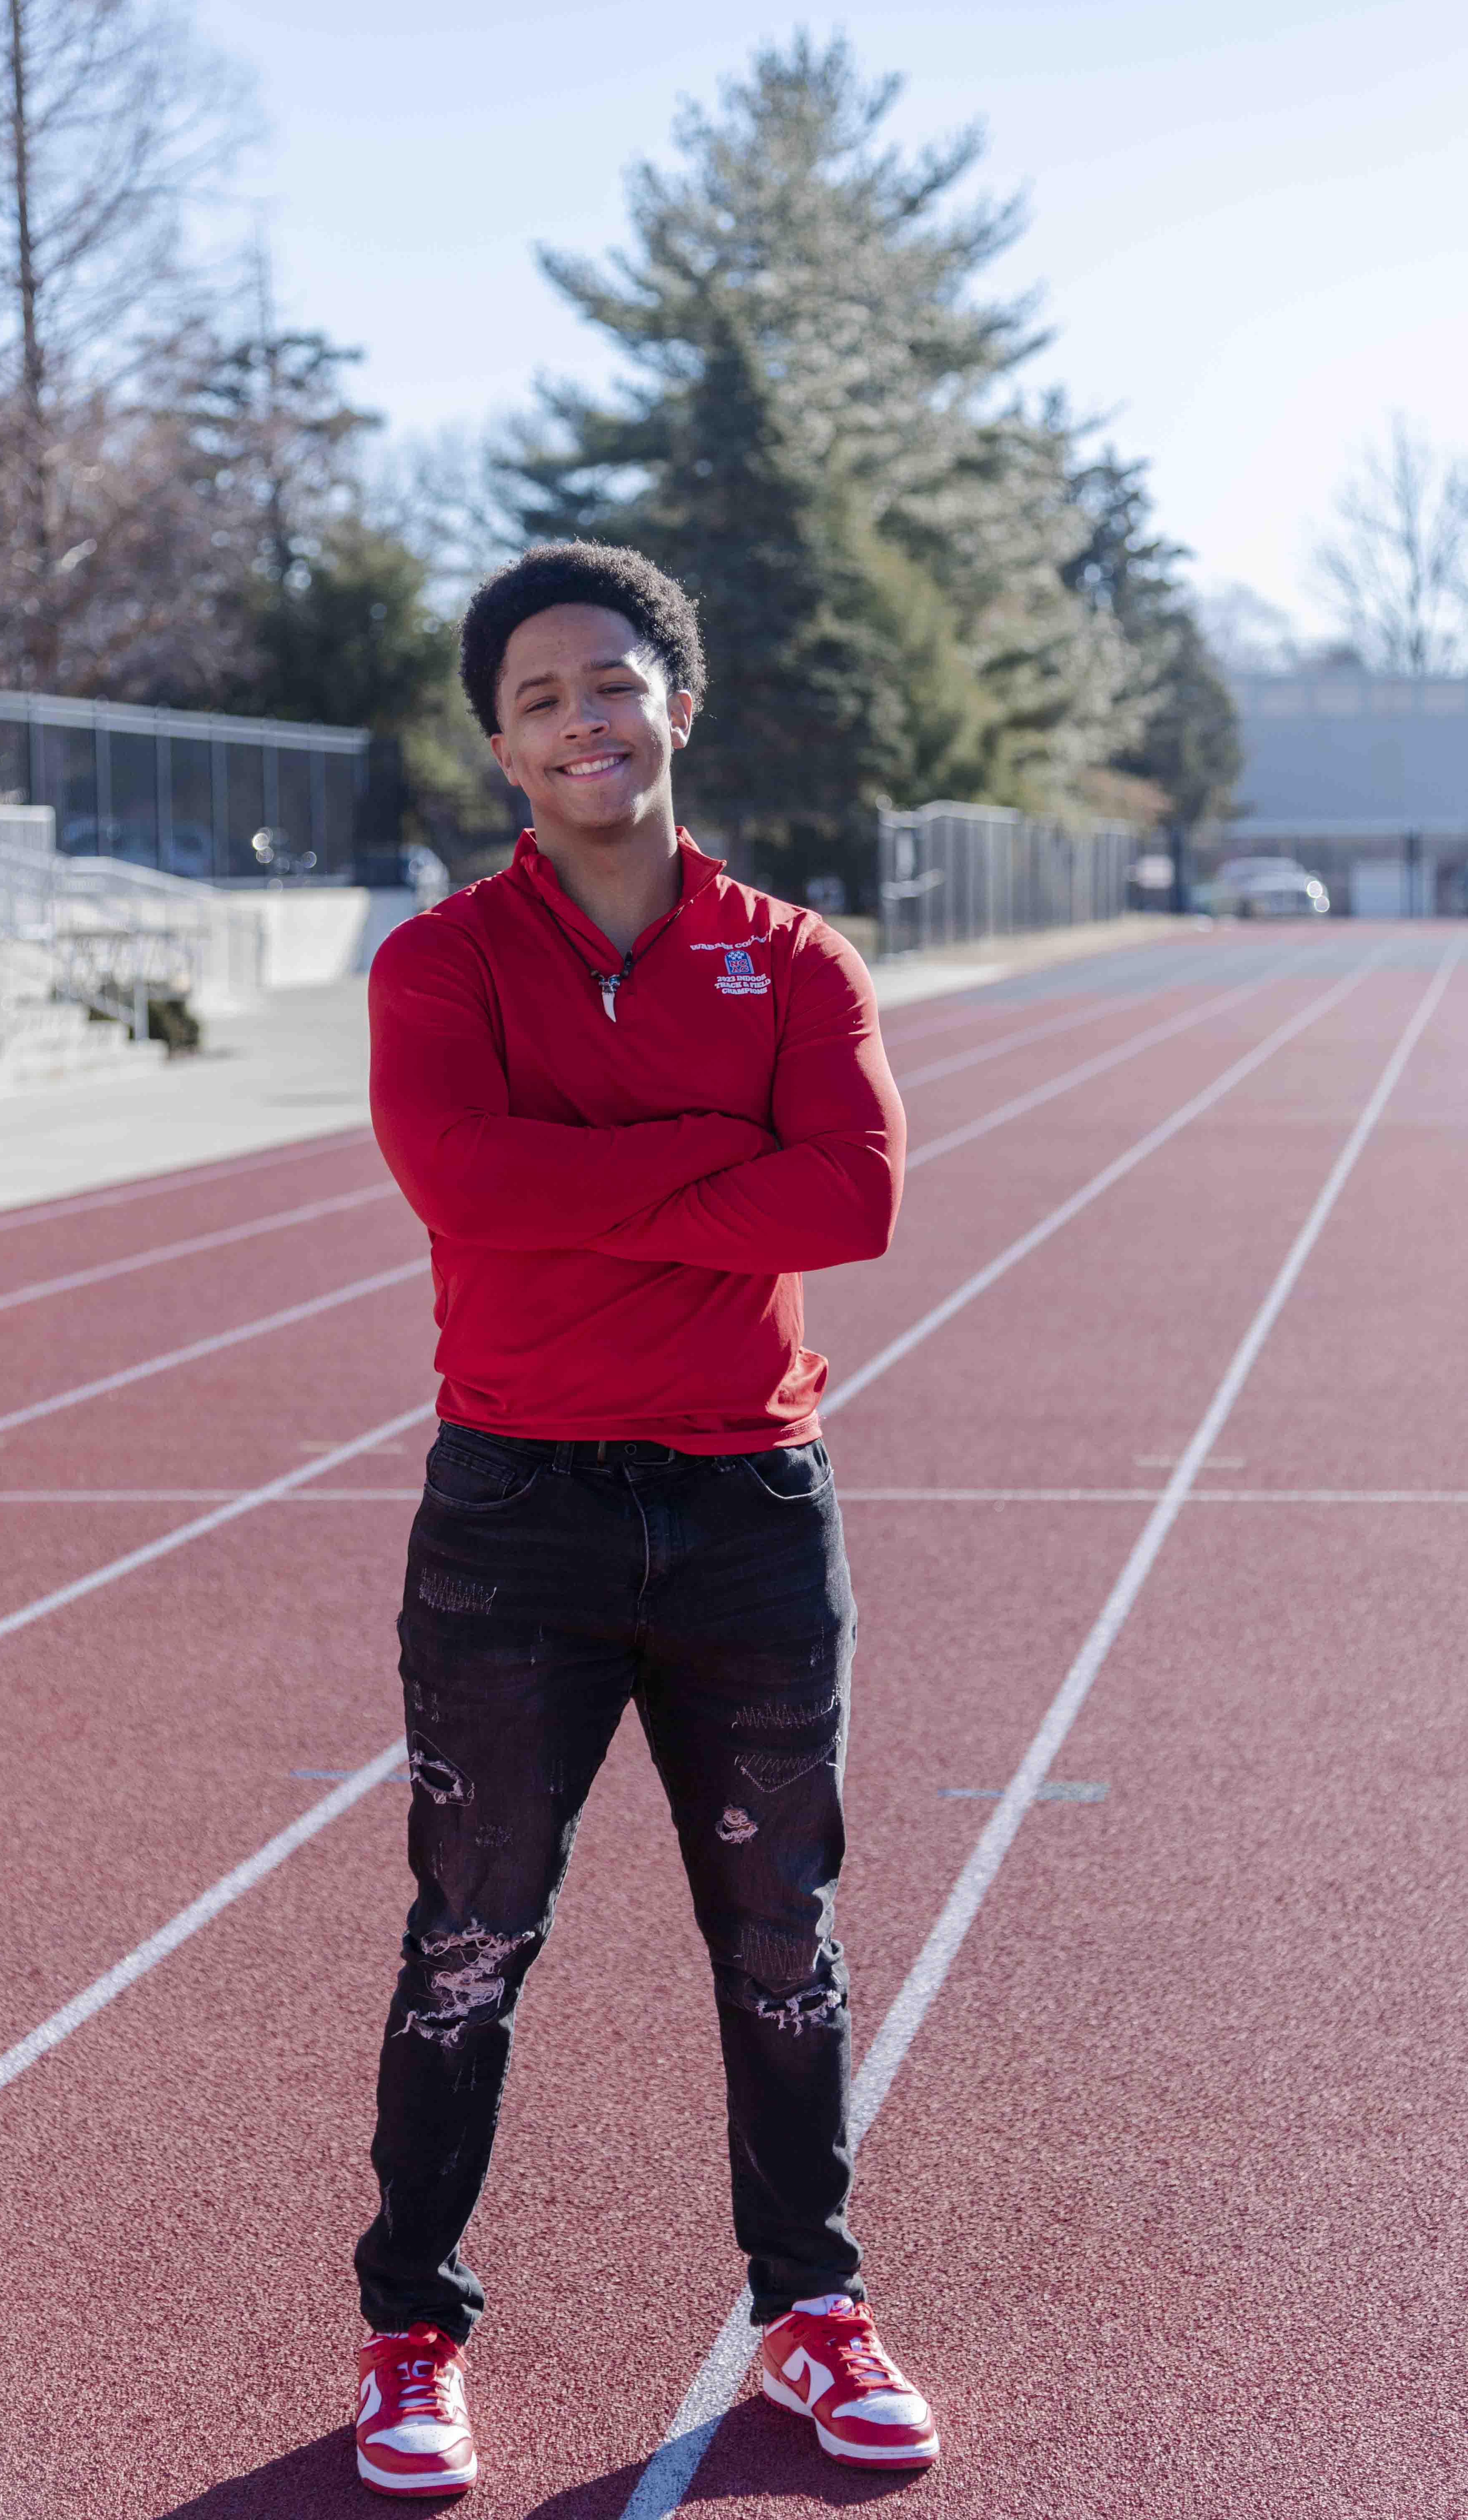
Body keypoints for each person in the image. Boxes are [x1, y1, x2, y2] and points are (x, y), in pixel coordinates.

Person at [352, 541, 934, 2496]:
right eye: (537, 699)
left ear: (678, 704)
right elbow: (461, 1181)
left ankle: (812, 2318)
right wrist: (713, 1162)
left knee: (782, 1933)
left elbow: (847, 1205)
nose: (580, 720)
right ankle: (412, 2332)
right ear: (500, 749)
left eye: (612, 683)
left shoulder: (795, 960)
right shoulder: (441, 964)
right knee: (468, 1940)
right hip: (514, 1519)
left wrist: (584, 1171)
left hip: (748, 1508)